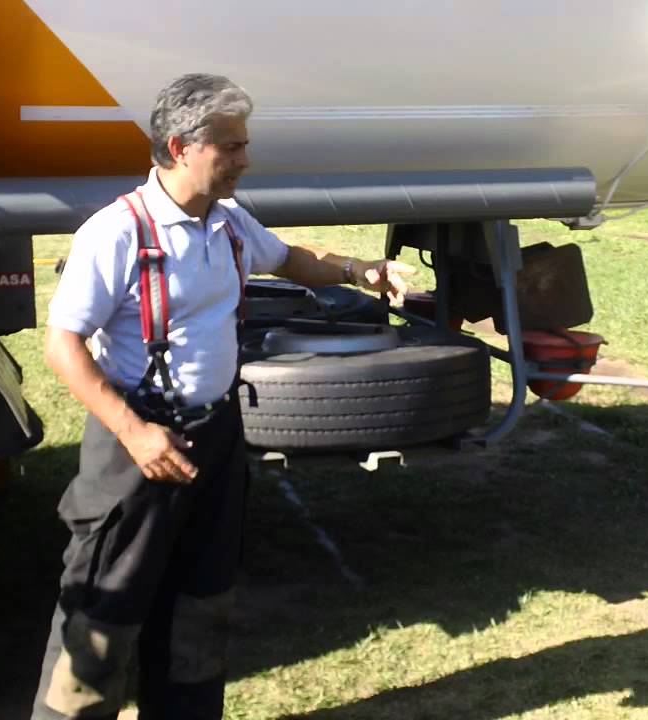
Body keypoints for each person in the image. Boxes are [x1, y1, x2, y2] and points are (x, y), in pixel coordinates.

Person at [31, 73, 415, 720]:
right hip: (136, 451)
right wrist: (134, 433)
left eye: (244, 144)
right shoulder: (117, 232)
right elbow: (62, 345)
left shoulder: (229, 222)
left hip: (215, 440)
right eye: (231, 146)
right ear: (181, 148)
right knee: (99, 616)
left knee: (199, 610)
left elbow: (290, 259)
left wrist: (359, 271)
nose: (245, 159)